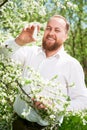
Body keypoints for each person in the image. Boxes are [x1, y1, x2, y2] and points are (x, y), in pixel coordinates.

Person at [5, 15, 87, 130]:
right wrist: (19, 41)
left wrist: (55, 107)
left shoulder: (71, 65)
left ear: (66, 36)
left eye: (57, 30)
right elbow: (4, 57)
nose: (51, 33)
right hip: (17, 124)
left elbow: (83, 101)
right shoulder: (29, 52)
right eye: (48, 28)